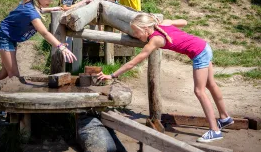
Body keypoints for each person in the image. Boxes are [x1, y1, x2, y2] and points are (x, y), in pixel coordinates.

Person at [98, 13, 234, 143]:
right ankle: (225, 117)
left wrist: (112, 75)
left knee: (199, 91)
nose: (135, 35)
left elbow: (133, 62)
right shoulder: (164, 24)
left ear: (145, 29)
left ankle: (215, 130)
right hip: (204, 46)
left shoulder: (155, 40)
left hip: (199, 53)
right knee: (210, 85)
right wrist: (168, 22)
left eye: (136, 32)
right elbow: (184, 22)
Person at [0, 0, 77, 82]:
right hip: (4, 37)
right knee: (14, 76)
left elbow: (37, 9)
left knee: (5, 71)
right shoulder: (31, 12)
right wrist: (60, 46)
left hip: (10, 36)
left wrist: (49, 9)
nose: (51, 1)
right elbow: (45, 33)